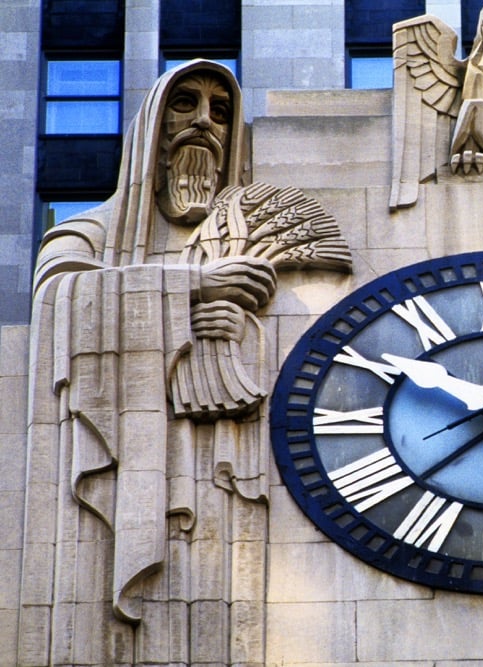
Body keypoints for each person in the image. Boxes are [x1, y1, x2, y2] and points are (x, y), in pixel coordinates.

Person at [21, 60, 273, 665]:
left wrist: (239, 329)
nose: (205, 123)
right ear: (152, 132)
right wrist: (191, 286)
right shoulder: (88, 232)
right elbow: (57, 299)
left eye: (221, 111)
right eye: (186, 105)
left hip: (213, 479)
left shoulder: (242, 236)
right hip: (126, 468)